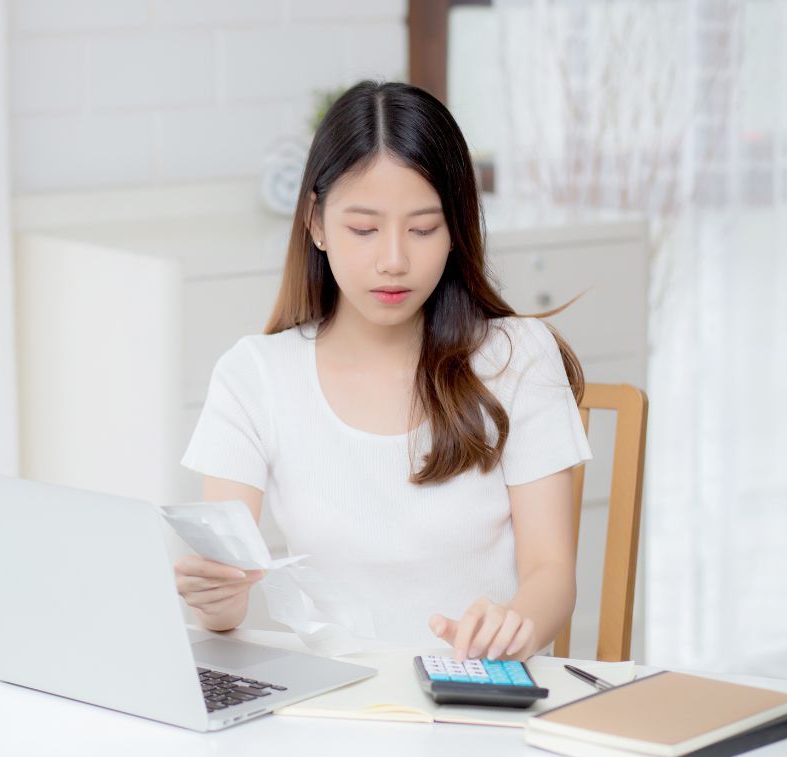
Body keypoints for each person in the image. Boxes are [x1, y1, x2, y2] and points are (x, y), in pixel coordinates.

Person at [173, 80, 592, 663]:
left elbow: (553, 576)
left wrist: (514, 625)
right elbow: (226, 595)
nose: (394, 260)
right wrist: (215, 600)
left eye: (423, 229)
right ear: (316, 223)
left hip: (474, 703)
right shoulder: (255, 377)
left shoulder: (517, 358)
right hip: (331, 711)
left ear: (457, 230)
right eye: (364, 229)